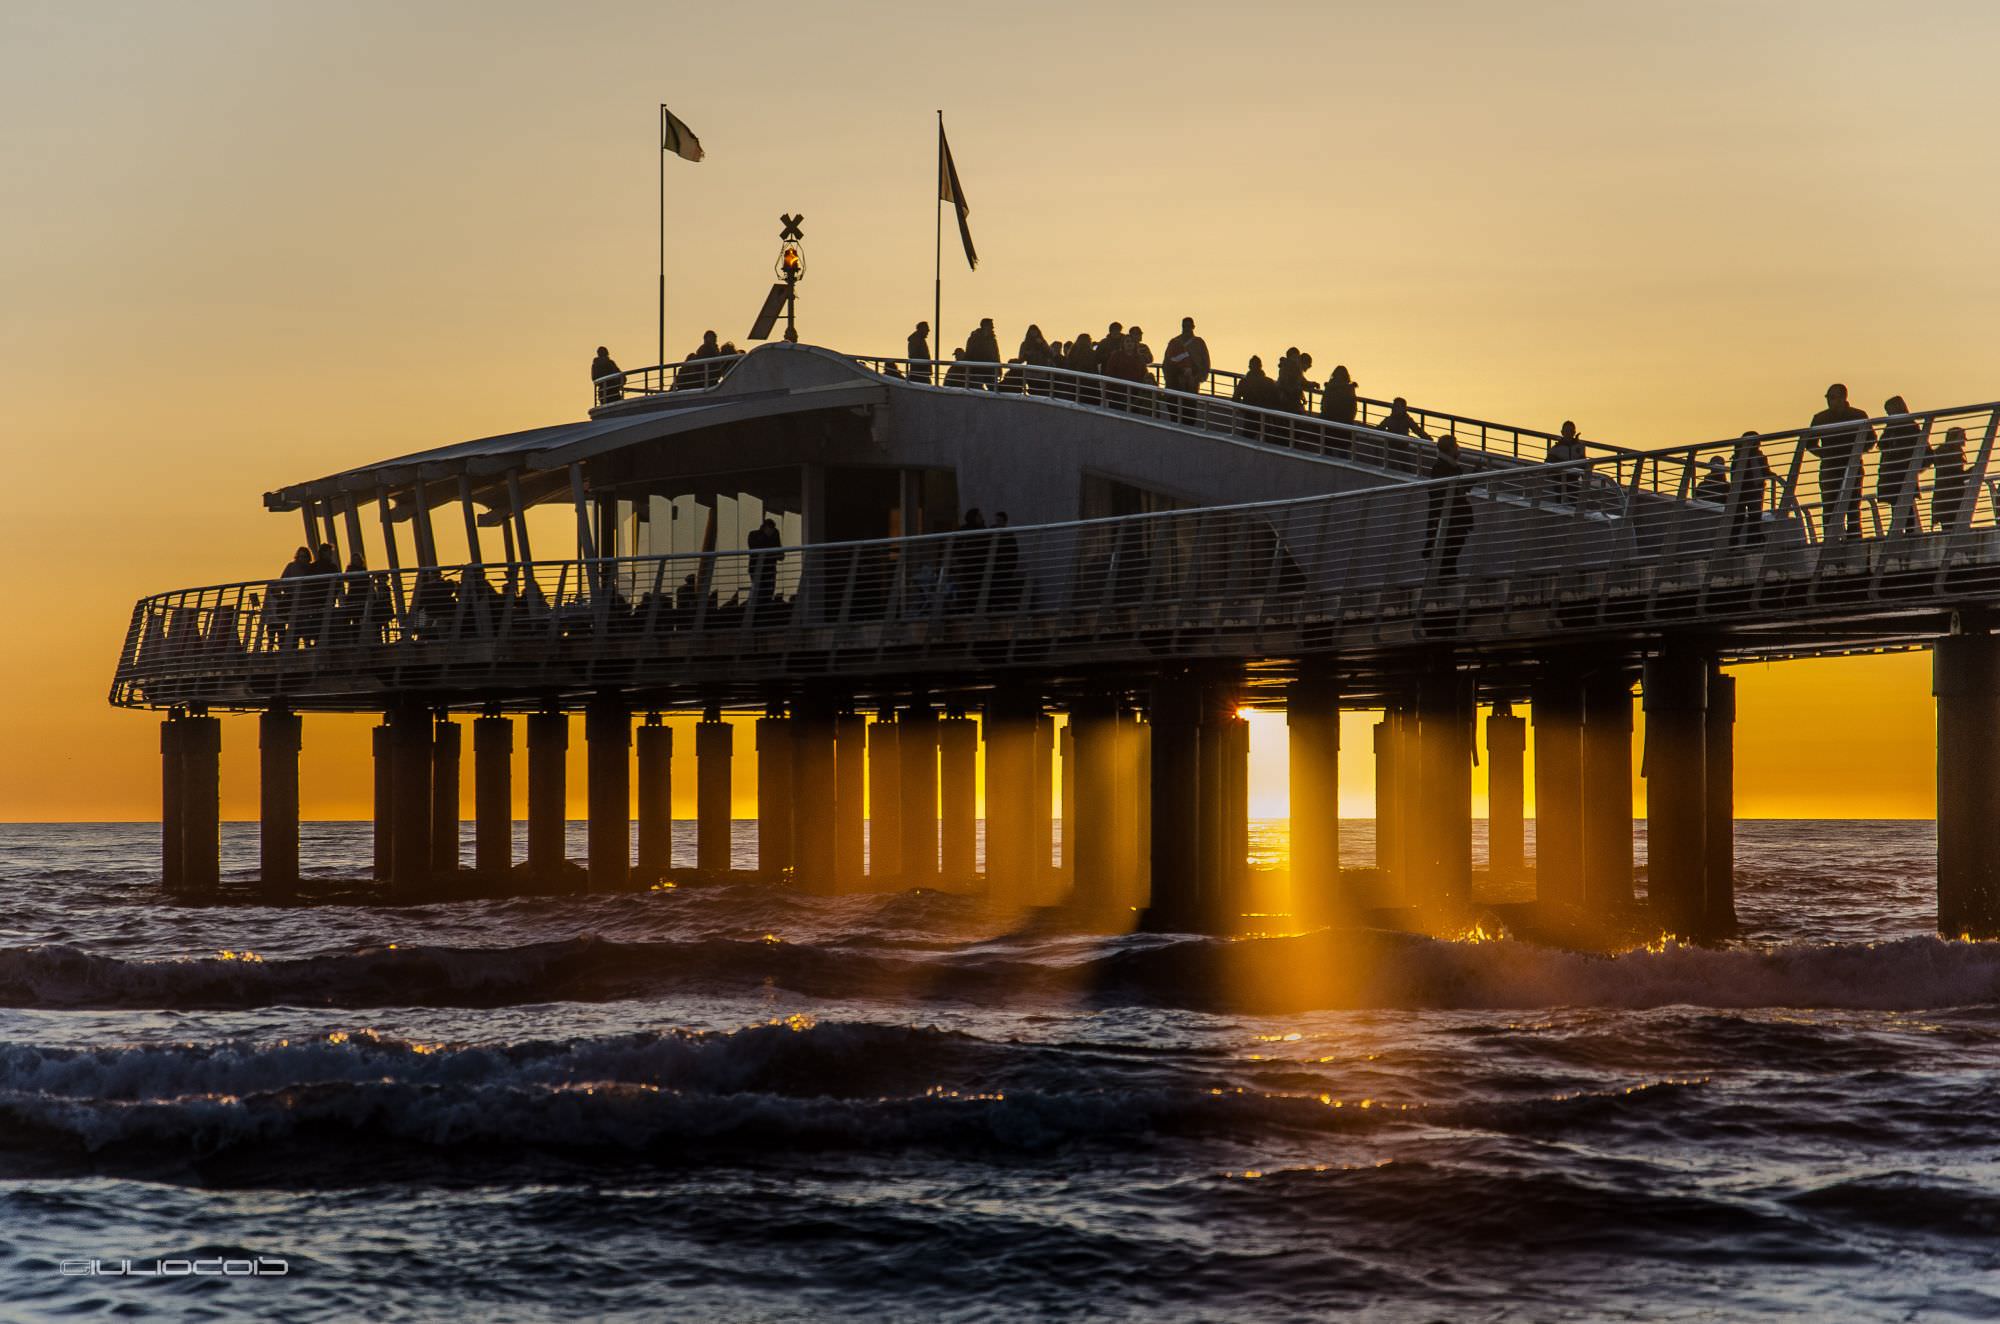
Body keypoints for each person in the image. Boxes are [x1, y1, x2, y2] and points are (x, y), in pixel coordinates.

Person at [1803, 383, 1875, 540]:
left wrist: (1856, 452)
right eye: (1829, 398)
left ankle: (1853, 537)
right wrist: (1825, 454)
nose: (1830, 401)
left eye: (1833, 398)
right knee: (1830, 505)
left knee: (1853, 504)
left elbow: (1871, 439)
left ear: (1843, 397)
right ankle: (1831, 539)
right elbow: (1810, 443)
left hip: (1851, 466)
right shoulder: (1821, 418)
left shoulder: (1858, 415)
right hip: (1831, 467)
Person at [1421, 434, 1475, 577]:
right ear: (1450, 448)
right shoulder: (1442, 467)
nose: (1458, 449)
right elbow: (1442, 493)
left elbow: (1459, 489)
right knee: (1448, 555)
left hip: (1453, 518)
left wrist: (1475, 475)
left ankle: (1446, 580)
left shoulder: (1448, 466)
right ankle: (1445, 584)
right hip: (1450, 518)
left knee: (1450, 554)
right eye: (1456, 445)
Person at [1876, 395, 1925, 536]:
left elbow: (1882, 444)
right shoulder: (1905, 425)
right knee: (1902, 504)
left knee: (1901, 505)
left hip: (1897, 472)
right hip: (1899, 472)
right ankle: (1905, 533)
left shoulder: (1902, 425)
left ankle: (1904, 533)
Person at [1729, 431, 1776, 548]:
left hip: (1751, 490)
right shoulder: (1743, 456)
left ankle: (1747, 543)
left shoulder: (1740, 456)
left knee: (1748, 518)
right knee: (1741, 518)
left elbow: (1764, 470)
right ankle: (1740, 544)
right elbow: (1764, 471)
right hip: (1747, 491)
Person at [1930, 426, 1971, 532]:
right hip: (1952, 497)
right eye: (1962, 437)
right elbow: (1955, 476)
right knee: (1954, 527)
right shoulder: (1952, 452)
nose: (1964, 440)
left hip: (1942, 497)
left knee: (1948, 528)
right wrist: (1972, 471)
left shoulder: (1941, 451)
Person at [1163, 317, 1210, 396]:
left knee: (1190, 403)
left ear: (1193, 327)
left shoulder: (1199, 342)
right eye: (1184, 326)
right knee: (1174, 402)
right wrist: (1168, 377)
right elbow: (1167, 361)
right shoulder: (1174, 342)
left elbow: (1206, 361)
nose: (1186, 329)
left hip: (1193, 378)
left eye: (1189, 326)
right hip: (1176, 378)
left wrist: (1201, 377)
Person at [746, 515, 784, 605]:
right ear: (765, 528)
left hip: (769, 570)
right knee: (759, 594)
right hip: (757, 569)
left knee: (768, 593)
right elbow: (755, 549)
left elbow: (780, 553)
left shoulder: (774, 534)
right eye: (770, 529)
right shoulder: (754, 535)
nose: (771, 532)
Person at [1319, 366, 1359, 445]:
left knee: (1327, 446)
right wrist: (1350, 419)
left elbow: (1323, 404)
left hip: (1328, 421)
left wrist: (1324, 415)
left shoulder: (1329, 387)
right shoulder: (1349, 388)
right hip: (1345, 423)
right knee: (1343, 448)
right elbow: (1353, 407)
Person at [966, 317, 1001, 389]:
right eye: (991, 325)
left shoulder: (992, 340)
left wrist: (999, 369)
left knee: (994, 391)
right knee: (976, 390)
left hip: (990, 370)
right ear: (985, 326)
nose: (992, 327)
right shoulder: (974, 338)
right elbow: (969, 353)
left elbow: (996, 355)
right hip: (977, 369)